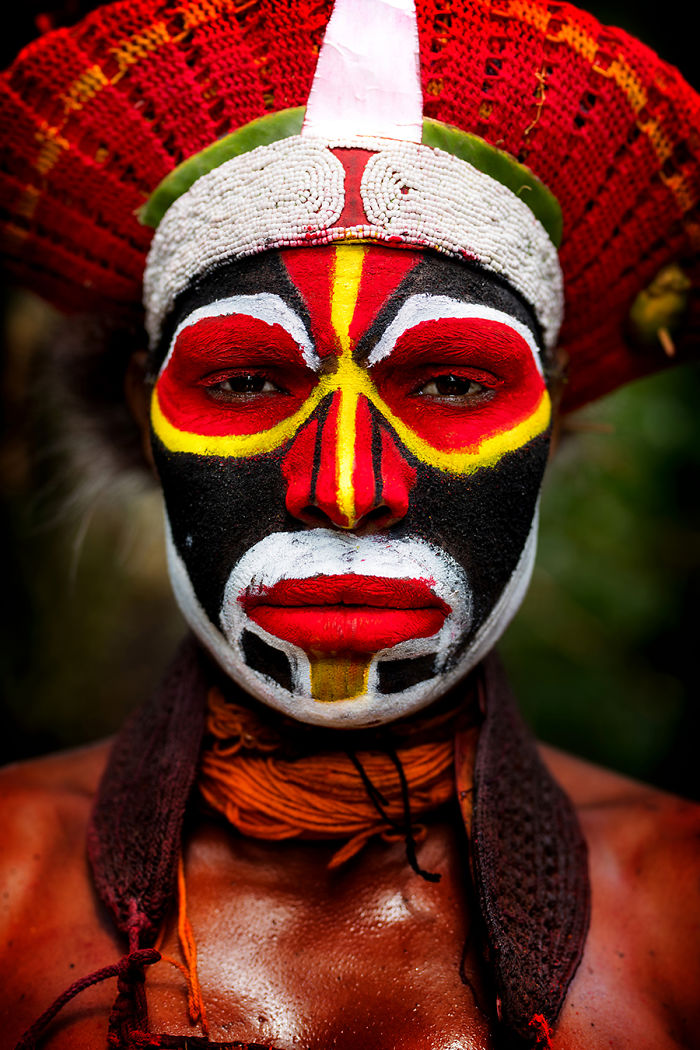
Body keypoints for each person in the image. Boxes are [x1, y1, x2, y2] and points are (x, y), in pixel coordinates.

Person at [1, 0, 699, 1047]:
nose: (343, 484)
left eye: (453, 383)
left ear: (549, 431)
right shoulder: (9, 883)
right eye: (245, 379)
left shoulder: (679, 907)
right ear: (145, 425)